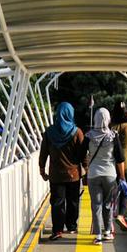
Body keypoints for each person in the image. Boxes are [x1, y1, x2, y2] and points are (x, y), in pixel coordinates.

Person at [39, 102, 86, 240]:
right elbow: (84, 153)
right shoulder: (77, 132)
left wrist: (42, 170)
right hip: (74, 174)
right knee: (73, 201)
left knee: (57, 202)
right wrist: (86, 169)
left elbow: (43, 153)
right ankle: (71, 226)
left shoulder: (49, 132)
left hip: (56, 175)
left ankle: (58, 230)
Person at [84, 107, 126, 243]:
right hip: (110, 175)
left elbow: (80, 154)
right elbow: (120, 158)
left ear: (95, 119)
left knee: (96, 204)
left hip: (93, 174)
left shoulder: (88, 136)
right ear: (108, 119)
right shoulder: (113, 136)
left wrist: (86, 166)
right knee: (107, 204)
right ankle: (108, 231)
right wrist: (122, 176)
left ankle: (98, 236)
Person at [111, 102, 127, 231]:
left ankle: (108, 219)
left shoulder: (111, 127)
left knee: (110, 192)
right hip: (125, 165)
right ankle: (121, 215)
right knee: (124, 191)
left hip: (110, 165)